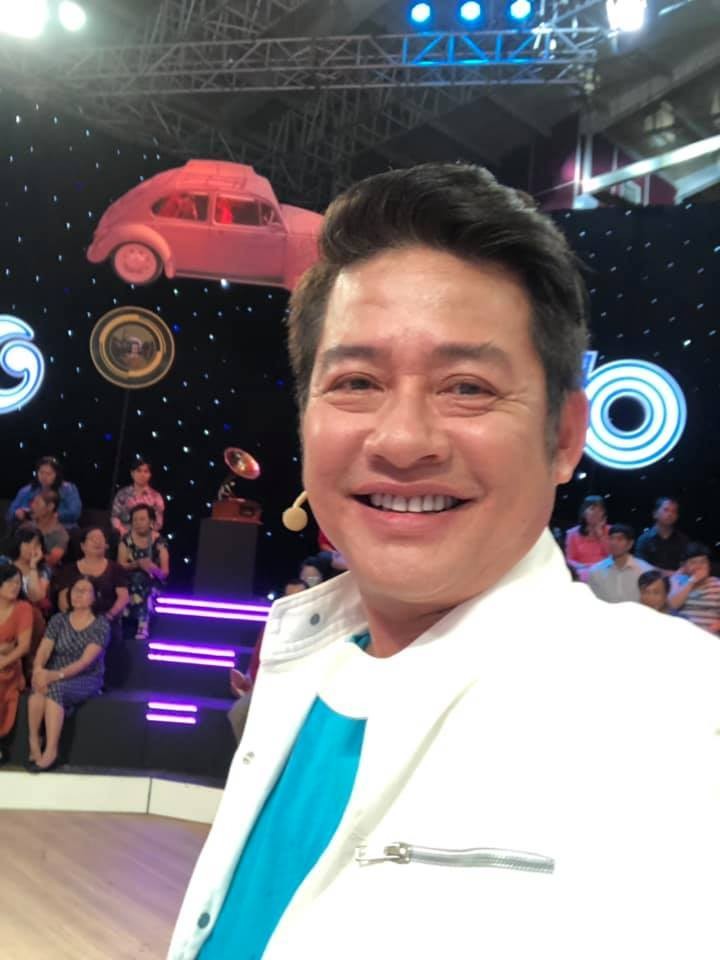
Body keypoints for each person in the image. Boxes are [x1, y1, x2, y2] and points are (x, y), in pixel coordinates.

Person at [169, 164, 720, 960]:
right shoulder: (303, 672)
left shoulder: (679, 717)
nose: (402, 440)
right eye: (356, 381)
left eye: (467, 387)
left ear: (566, 436)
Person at [27, 578, 110, 771]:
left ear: (95, 597)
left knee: (55, 689)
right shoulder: (59, 620)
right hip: (53, 672)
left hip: (85, 677)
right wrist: (38, 669)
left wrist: (55, 675)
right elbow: (45, 649)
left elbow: (85, 662)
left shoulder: (101, 625)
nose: (77, 594)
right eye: (75, 590)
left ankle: (51, 751)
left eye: (84, 591)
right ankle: (34, 741)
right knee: (38, 689)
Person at [227, 579, 308, 744]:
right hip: (269, 686)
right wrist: (246, 683)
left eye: (299, 598)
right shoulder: (272, 626)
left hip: (302, 687)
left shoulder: (316, 626)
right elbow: (257, 662)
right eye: (288, 598)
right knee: (238, 713)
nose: (293, 603)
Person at [117, 504, 169, 640]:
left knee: (142, 578)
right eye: (135, 520)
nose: (138, 523)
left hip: (153, 580)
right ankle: (125, 622)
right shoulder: (126, 540)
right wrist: (138, 563)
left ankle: (143, 623)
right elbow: (120, 566)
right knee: (135, 578)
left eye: (142, 519)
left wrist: (151, 568)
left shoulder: (159, 541)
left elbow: (164, 572)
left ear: (151, 521)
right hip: (129, 578)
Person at [0, 563, 32, 763]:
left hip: (9, 667)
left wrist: (3, 659)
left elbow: (23, 647)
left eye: (18, 582)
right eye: (10, 582)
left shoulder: (23, 608)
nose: (15, 586)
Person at [6, 455, 82, 529]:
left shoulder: (68, 489)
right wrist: (17, 513)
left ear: (57, 474)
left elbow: (75, 513)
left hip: (62, 528)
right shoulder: (27, 490)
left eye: (49, 474)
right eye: (41, 472)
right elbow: (11, 511)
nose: (44, 477)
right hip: (31, 529)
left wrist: (49, 515)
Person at [586, 523, 652, 604]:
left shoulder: (645, 570)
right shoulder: (595, 571)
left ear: (630, 544)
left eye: (620, 539)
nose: (614, 543)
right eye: (611, 538)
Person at [669, 543, 720, 634]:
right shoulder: (677, 581)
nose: (698, 566)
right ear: (684, 567)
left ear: (709, 566)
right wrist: (692, 582)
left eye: (703, 562)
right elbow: (672, 606)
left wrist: (713, 629)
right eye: (693, 562)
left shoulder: (717, 584)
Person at [635, 497, 689, 574]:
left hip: (678, 580)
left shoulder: (683, 540)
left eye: (674, 511)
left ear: (677, 516)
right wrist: (668, 574)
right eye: (666, 510)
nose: (670, 514)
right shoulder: (644, 540)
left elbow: (687, 564)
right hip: (650, 580)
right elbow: (640, 566)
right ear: (655, 514)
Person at [111, 459, 165, 536]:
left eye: (146, 471)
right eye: (139, 471)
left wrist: (143, 533)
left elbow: (158, 522)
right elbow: (114, 516)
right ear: (132, 473)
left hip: (147, 537)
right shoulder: (122, 494)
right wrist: (122, 531)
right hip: (124, 535)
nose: (142, 474)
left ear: (150, 475)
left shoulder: (156, 497)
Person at [563, 494, 610, 580]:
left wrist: (600, 534)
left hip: (605, 571)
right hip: (582, 571)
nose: (596, 513)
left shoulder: (610, 530)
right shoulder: (572, 533)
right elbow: (570, 559)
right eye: (592, 509)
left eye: (600, 510)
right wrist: (584, 567)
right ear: (584, 512)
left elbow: (612, 555)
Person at [27, 490, 69, 569]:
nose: (32, 506)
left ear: (50, 507)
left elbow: (51, 561)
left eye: (37, 503)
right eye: (32, 502)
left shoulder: (61, 536)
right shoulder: (27, 526)